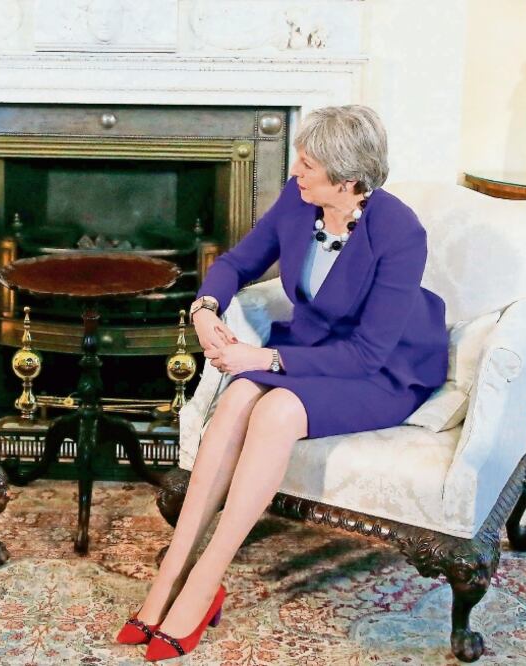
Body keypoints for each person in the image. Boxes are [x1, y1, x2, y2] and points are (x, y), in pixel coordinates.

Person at [115, 105, 448, 661]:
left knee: (276, 410)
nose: (295, 171)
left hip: (383, 370)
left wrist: (263, 357)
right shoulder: (299, 201)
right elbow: (236, 263)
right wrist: (204, 308)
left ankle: (204, 583)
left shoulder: (399, 230)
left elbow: (368, 353)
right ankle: (172, 571)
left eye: (308, 164)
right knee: (238, 396)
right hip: (312, 350)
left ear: (347, 179)